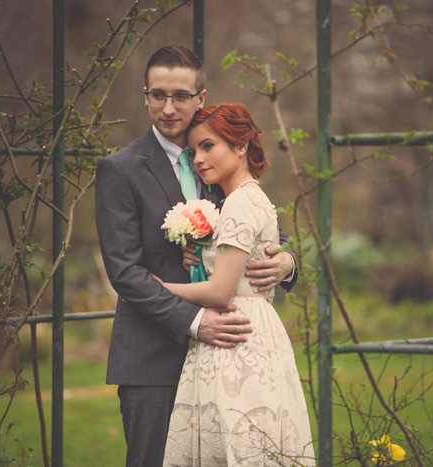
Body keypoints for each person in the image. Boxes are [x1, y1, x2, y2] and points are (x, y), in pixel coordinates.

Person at [95, 45, 297, 466]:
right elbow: (125, 273)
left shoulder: (217, 158)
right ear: (145, 95)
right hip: (152, 357)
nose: (169, 107)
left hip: (225, 361)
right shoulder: (121, 168)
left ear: (200, 98)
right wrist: (195, 321)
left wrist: (288, 262)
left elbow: (265, 231)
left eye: (181, 96)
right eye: (158, 95)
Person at [159, 104, 315, 466]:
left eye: (208, 146)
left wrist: (160, 286)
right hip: (255, 330)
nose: (198, 158)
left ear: (241, 146)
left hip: (236, 338)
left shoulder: (240, 202)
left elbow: (219, 292)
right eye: (194, 150)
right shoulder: (252, 196)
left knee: (237, 440)